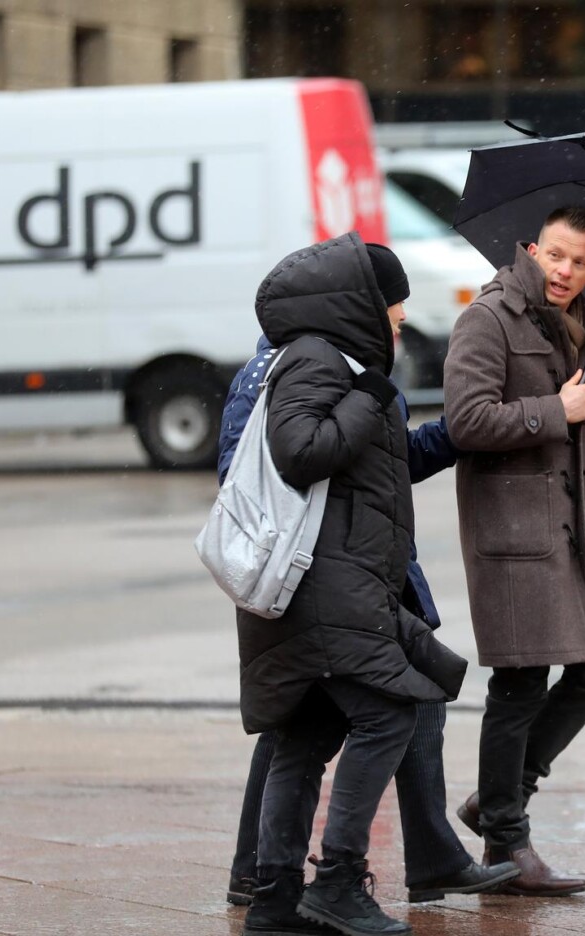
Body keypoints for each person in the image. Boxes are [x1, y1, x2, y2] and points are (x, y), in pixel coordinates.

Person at [221, 247, 517, 911]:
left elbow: (386, 459)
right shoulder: (304, 365)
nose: (403, 317)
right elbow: (282, 464)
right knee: (376, 713)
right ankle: (322, 881)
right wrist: (369, 396)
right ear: (359, 305)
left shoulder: (348, 367)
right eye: (395, 305)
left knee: (316, 727)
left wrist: (465, 430)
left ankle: (278, 892)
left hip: (356, 582)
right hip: (319, 588)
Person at [442, 205, 585, 896]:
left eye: (579, 262)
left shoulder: (574, 318)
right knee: (520, 682)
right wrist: (553, 411)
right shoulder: (487, 318)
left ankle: (498, 799)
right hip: (513, 530)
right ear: (532, 248)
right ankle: (506, 838)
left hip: (568, 528)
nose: (564, 271)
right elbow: (464, 420)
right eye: (556, 255)